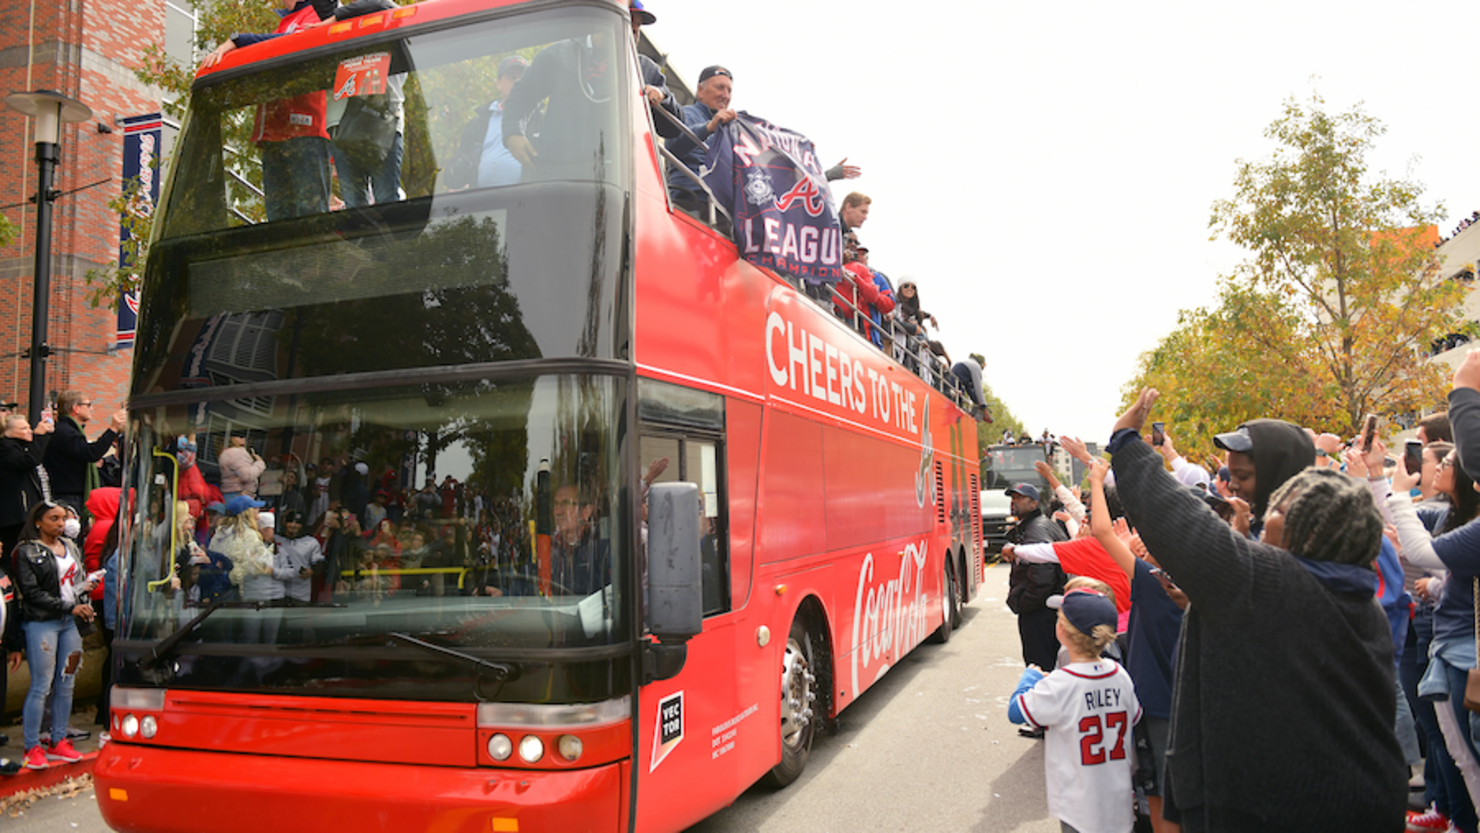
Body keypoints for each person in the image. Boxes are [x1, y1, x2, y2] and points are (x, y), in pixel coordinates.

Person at [1110, 387, 1406, 832]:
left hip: (1293, 809)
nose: (1262, 515)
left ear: (1309, 531)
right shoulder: (1347, 597)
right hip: (1359, 800)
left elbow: (1173, 517)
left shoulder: (1271, 583)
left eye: (1281, 508)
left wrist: (1126, 440)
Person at [1008, 587, 1141, 833]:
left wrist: (1030, 677)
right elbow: (1135, 717)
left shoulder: (1061, 683)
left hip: (1078, 802)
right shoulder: (1120, 675)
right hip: (1118, 795)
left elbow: (1016, 711)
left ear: (1063, 631)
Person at [201, 0, 332, 221]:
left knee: (310, 219)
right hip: (275, 135)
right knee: (278, 220)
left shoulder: (315, 15)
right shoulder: (286, 23)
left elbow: (294, 43)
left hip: (303, 132)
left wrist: (238, 40)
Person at [13, 500, 98, 770]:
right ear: (38, 522)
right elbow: (32, 593)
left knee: (67, 680)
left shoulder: (70, 547)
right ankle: (31, 746)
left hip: (70, 624)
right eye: (54, 519)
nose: (61, 524)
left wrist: (85, 587)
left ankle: (58, 739)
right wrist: (70, 606)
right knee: (42, 684)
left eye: (63, 518)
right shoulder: (25, 552)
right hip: (43, 624)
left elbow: (71, 584)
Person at [1005, 482, 1069, 699]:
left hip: (1040, 612)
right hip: (1047, 608)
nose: (1014, 502)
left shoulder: (1036, 528)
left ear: (1034, 503)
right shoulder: (1038, 525)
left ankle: (1043, 720)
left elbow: (1043, 573)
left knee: (1040, 665)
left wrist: (1025, 602)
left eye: (1020, 498)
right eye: (1012, 497)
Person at [1210, 418, 1315, 537]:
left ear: (1276, 474)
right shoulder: (1253, 525)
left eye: (1242, 476)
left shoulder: (1303, 539)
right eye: (1231, 475)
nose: (1232, 484)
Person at [446, 56, 530, 190]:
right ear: (499, 83)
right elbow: (451, 181)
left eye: (523, 78)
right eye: (512, 77)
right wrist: (458, 170)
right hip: (482, 207)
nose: (517, 82)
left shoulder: (542, 122)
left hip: (526, 205)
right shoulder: (477, 125)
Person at [663, 65, 737, 211]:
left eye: (729, 90)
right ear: (700, 91)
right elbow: (673, 146)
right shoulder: (686, 113)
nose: (725, 95)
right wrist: (709, 127)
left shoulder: (729, 131)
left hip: (721, 209)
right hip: (690, 202)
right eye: (720, 87)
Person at [41, 391, 125, 520]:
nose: (92, 409)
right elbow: (91, 453)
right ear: (76, 408)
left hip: (69, 494)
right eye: (88, 405)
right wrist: (113, 428)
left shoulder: (66, 430)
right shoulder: (66, 432)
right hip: (69, 496)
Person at [1, 413, 54, 560]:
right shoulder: (6, 448)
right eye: (23, 428)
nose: (29, 431)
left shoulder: (25, 447)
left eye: (29, 428)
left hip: (30, 510)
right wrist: (39, 437)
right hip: (15, 516)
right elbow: (29, 461)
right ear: (9, 432)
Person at [549, 484, 608, 596]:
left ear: (586, 511)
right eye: (556, 504)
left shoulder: (600, 546)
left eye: (566, 503)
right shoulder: (547, 545)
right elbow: (523, 586)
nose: (558, 512)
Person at [218, 435, 266, 500]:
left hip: (230, 494)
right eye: (240, 436)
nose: (244, 438)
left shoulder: (226, 452)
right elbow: (247, 476)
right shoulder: (236, 452)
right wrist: (260, 463)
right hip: (239, 494)